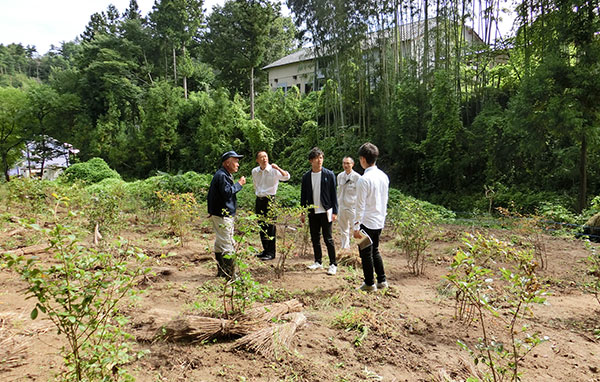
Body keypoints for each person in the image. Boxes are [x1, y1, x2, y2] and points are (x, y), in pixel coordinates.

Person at [353, 143, 389, 291]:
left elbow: (359, 205)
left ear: (362, 159)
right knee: (375, 250)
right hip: (379, 220)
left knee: (365, 252)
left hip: (366, 222)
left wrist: (356, 226)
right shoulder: (383, 176)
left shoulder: (364, 179)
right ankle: (382, 280)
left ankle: (369, 283)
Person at [207, 150, 246, 279]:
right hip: (223, 215)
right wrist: (239, 185)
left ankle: (222, 271)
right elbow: (227, 193)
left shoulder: (223, 174)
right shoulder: (222, 175)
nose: (237, 164)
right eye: (235, 161)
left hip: (219, 213)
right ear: (227, 162)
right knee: (227, 243)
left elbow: (212, 195)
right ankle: (231, 274)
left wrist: (211, 210)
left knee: (220, 242)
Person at [300, 147, 338, 275]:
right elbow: (303, 195)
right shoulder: (306, 177)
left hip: (326, 210)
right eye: (316, 158)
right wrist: (303, 211)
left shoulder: (329, 174)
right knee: (315, 237)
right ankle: (318, 261)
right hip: (312, 211)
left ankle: (333, 264)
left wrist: (335, 212)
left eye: (321, 157)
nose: (319, 160)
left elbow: (334, 194)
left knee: (328, 238)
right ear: (311, 160)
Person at [251, 151, 290, 260]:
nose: (264, 159)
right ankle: (265, 250)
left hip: (270, 200)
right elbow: (255, 185)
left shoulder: (274, 170)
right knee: (261, 225)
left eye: (266, 156)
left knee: (270, 226)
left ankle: (271, 252)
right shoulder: (255, 171)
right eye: (261, 157)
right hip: (259, 199)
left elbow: (287, 177)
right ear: (257, 160)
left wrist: (278, 169)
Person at [337, 156, 361, 250]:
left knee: (356, 229)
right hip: (341, 206)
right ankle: (345, 248)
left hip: (352, 207)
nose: (346, 165)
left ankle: (361, 249)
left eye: (348, 163)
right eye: (344, 163)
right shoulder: (340, 176)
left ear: (352, 164)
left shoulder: (357, 177)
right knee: (343, 230)